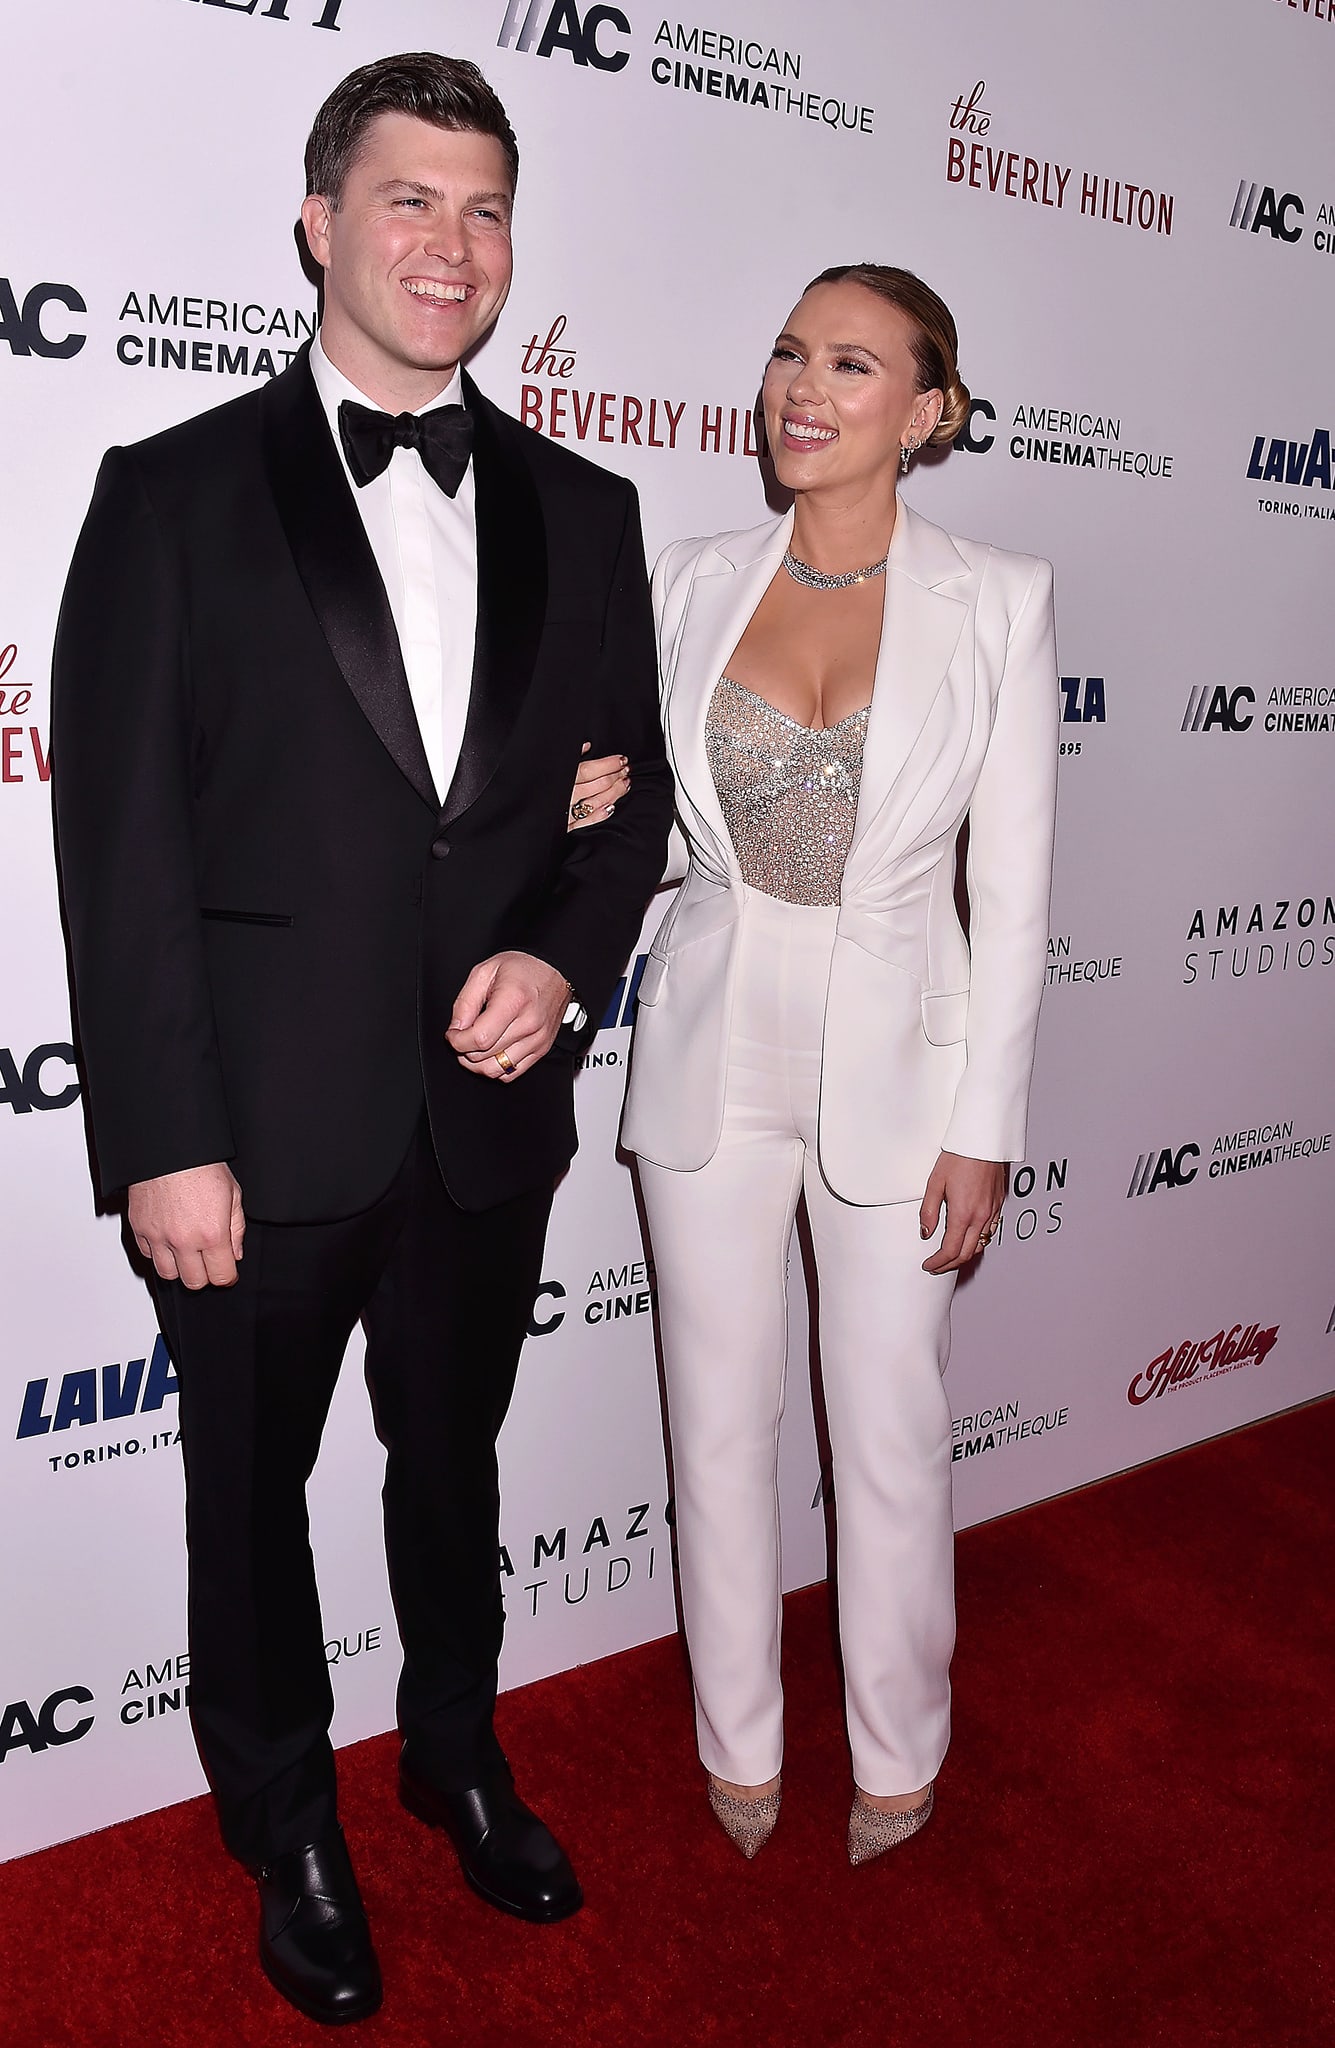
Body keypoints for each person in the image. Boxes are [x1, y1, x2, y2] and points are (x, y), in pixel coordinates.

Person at [51, 53, 671, 2025]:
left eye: (483, 207)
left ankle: (455, 1750)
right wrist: (161, 1133)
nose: (449, 243)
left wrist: (563, 967)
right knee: (249, 1497)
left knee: (450, 1470)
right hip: (251, 1127)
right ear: (319, 222)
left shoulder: (586, 505)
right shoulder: (170, 494)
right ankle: (284, 1816)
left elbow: (631, 799)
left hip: (480, 1126)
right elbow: (119, 841)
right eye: (407, 200)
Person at [599, 264, 1057, 1863]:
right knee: (712, 1420)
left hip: (901, 1063)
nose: (803, 386)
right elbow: (671, 832)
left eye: (852, 364)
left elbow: (1012, 901)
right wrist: (596, 811)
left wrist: (986, 1126)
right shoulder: (696, 576)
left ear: (926, 412)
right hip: (713, 1037)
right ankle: (738, 1741)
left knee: (888, 1423)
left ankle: (896, 1748)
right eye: (793, 351)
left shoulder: (997, 596)